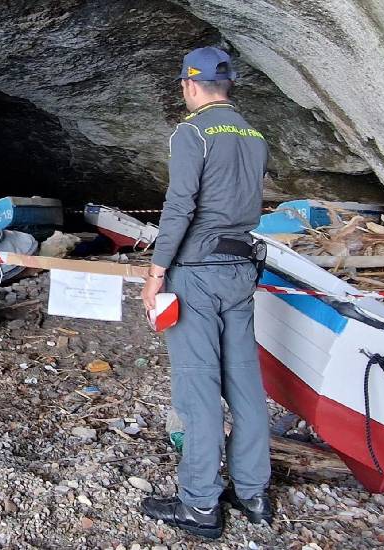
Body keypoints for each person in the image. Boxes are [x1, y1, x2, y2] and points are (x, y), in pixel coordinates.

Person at [139, 47, 272, 539]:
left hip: (196, 270)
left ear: (189, 86)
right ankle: (253, 493)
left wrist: (155, 273)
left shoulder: (192, 132)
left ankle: (199, 505)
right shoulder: (255, 137)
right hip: (241, 269)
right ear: (227, 85)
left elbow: (180, 208)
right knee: (244, 385)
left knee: (197, 388)